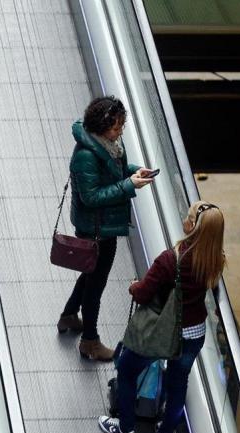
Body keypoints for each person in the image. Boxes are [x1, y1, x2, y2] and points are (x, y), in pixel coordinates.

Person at [98, 201, 226, 433]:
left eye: (188, 217)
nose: (184, 220)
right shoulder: (216, 260)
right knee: (179, 384)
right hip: (194, 334)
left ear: (192, 226)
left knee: (126, 369)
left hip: (162, 333)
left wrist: (134, 285)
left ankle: (125, 429)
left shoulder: (171, 259)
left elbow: (143, 294)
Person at [58, 96, 155, 361]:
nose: (120, 131)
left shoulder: (108, 146)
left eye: (122, 125)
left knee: (90, 273)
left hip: (103, 227)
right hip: (96, 231)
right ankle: (90, 341)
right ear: (101, 127)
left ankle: (68, 316)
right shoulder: (86, 156)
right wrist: (129, 185)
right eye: (116, 127)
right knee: (95, 286)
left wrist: (135, 172)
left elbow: (114, 171)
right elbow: (91, 197)